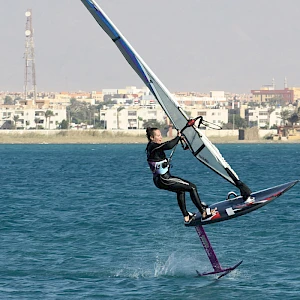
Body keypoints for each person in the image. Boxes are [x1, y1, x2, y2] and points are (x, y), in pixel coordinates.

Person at [146, 127, 215, 224]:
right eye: (158, 136)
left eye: (160, 135)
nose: (160, 137)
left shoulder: (153, 147)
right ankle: (204, 212)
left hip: (160, 180)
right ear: (151, 138)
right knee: (192, 188)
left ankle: (186, 216)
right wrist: (178, 137)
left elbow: (165, 146)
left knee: (181, 190)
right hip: (164, 179)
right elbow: (169, 145)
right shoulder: (153, 146)